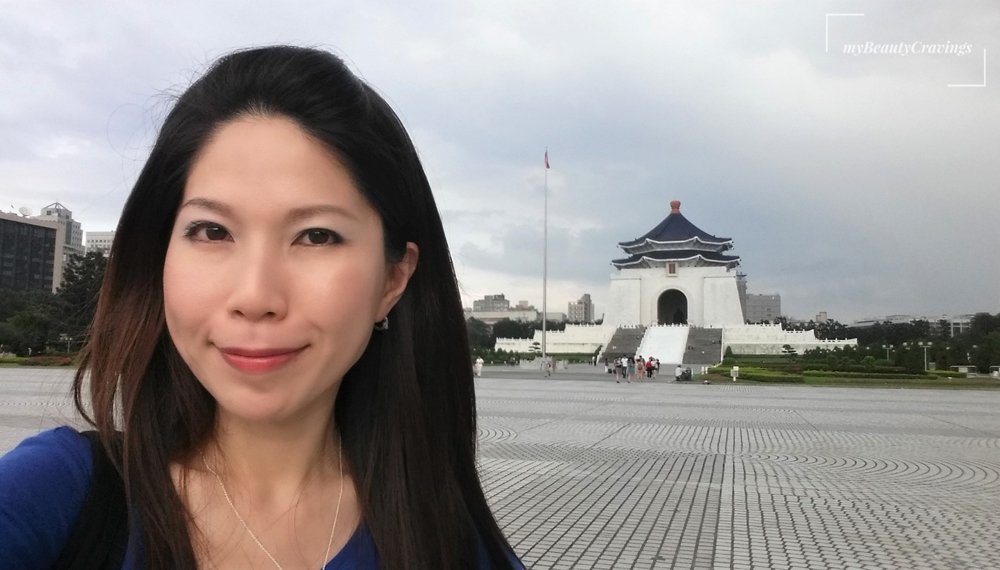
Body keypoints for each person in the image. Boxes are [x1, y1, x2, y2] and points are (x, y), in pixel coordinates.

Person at [0, 46, 522, 570]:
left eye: (316, 236)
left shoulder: (450, 545)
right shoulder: (57, 499)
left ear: (392, 278)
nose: (255, 297)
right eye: (211, 231)